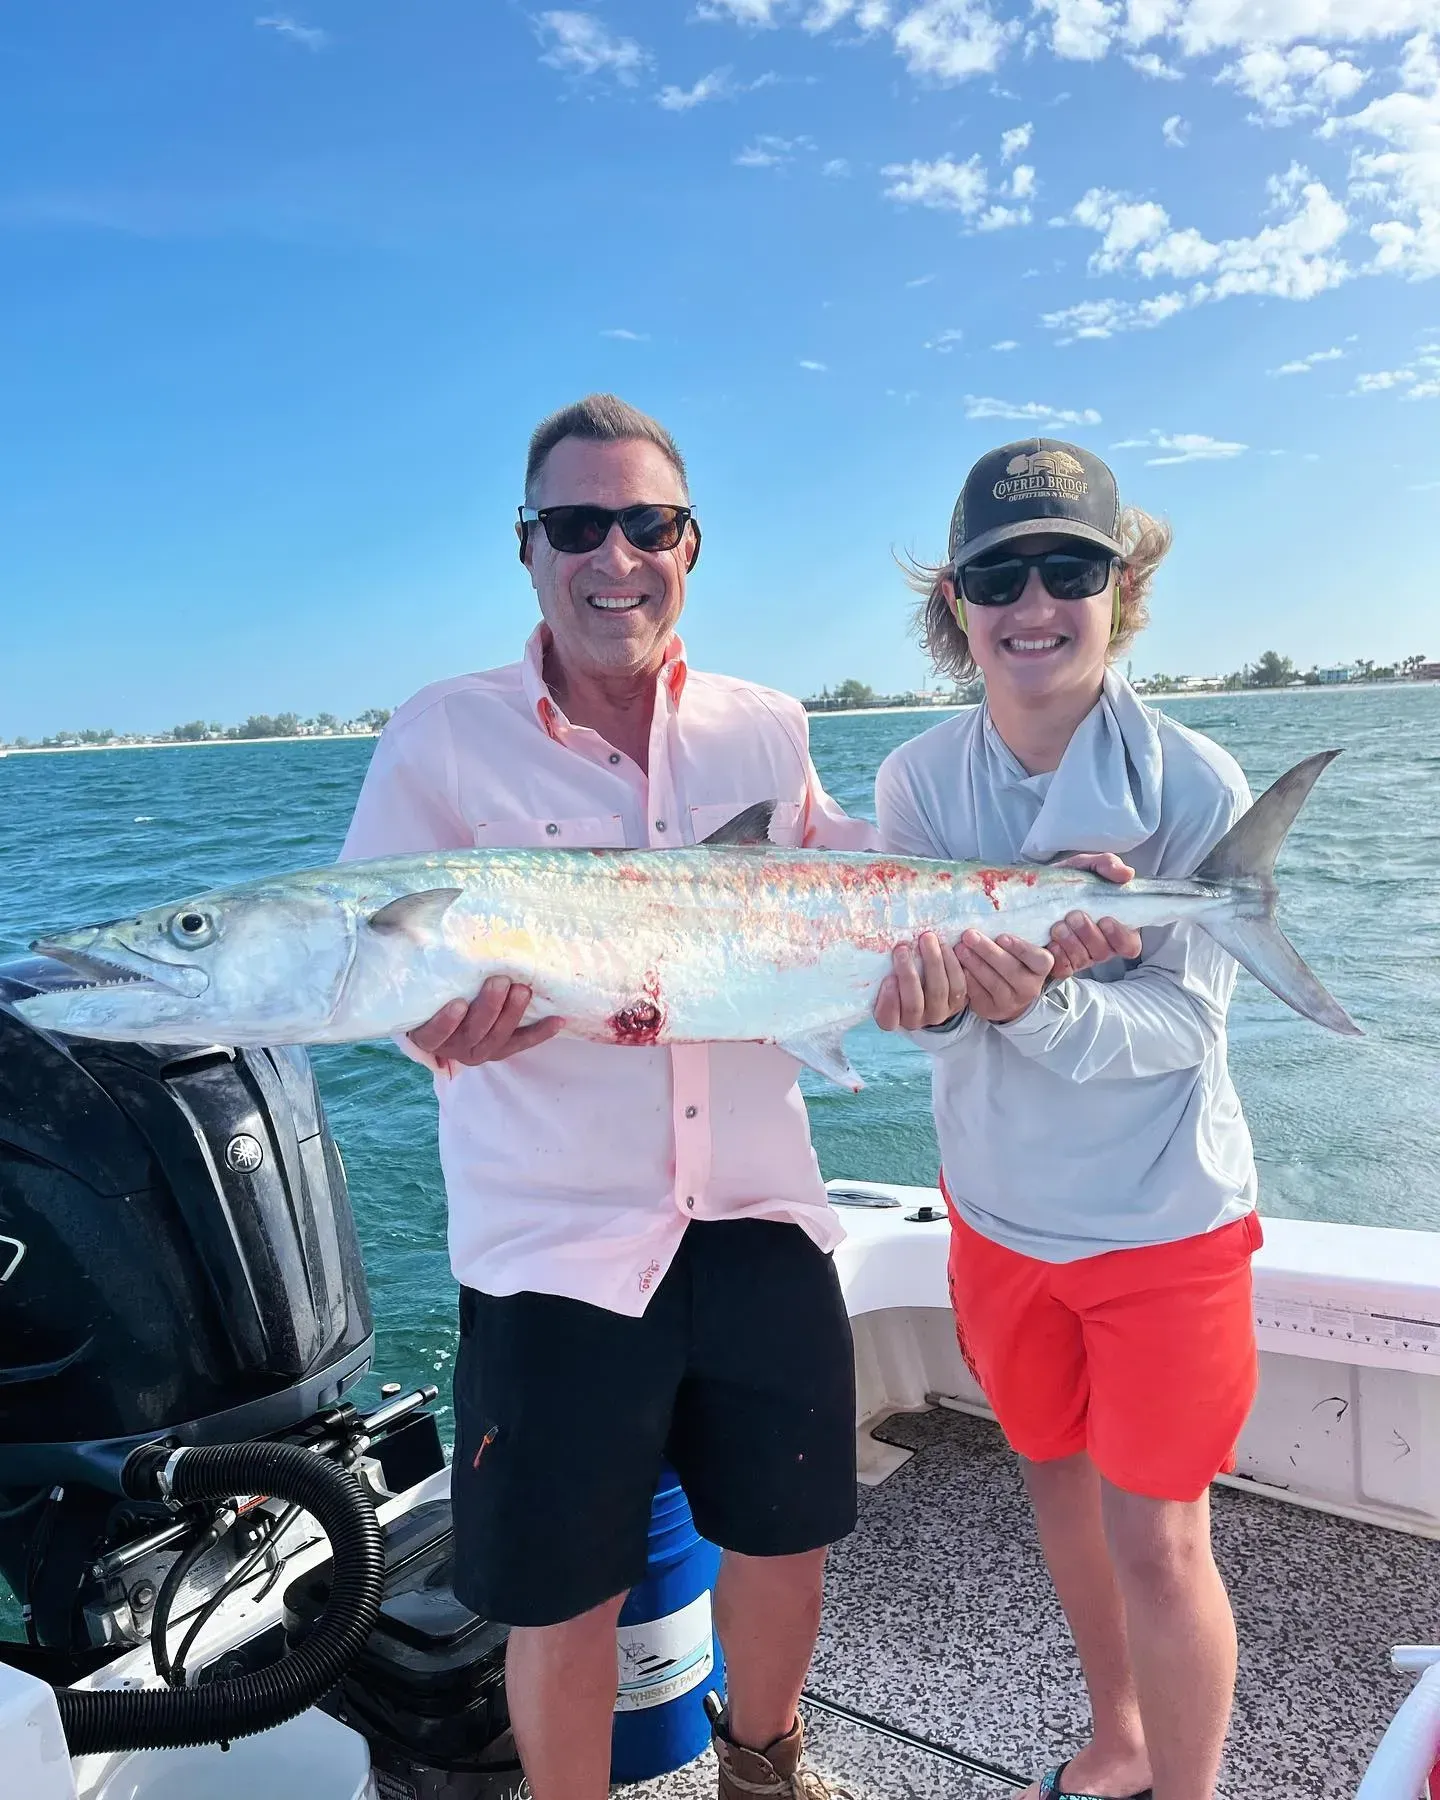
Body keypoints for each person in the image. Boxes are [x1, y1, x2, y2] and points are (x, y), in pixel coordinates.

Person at [340, 393, 967, 1800]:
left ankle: (765, 1764)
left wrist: (992, 916)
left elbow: (832, 891)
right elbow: (373, 973)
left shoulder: (765, 725)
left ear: (693, 545)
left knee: (784, 1534)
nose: (613, 557)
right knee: (556, 1591)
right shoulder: (440, 738)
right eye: (577, 526)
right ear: (528, 550)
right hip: (551, 1240)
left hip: (754, 1202)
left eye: (647, 524)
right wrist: (443, 1028)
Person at [874, 439, 1261, 1800]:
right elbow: (915, 997)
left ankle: (1191, 1789)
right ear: (956, 605)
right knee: (1053, 1483)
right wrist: (929, 999)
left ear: (1122, 586)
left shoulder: (1196, 788)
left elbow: (1183, 1034)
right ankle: (1119, 1735)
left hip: (1163, 1221)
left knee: (1161, 1538)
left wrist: (1040, 1008)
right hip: (998, 1214)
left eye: (1068, 567)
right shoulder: (919, 783)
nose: (1032, 603)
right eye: (997, 574)